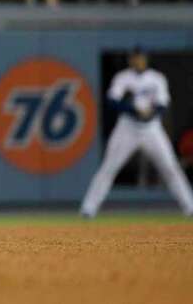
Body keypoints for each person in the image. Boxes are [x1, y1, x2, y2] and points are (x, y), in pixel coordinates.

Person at [79, 47, 193, 218]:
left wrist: (150, 113)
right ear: (130, 60)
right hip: (127, 128)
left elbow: (163, 104)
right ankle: (88, 209)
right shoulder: (123, 78)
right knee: (108, 168)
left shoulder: (156, 78)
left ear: (145, 59)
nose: (138, 61)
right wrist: (132, 109)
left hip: (152, 129)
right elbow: (112, 101)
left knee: (171, 168)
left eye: (141, 58)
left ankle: (190, 207)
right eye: (135, 58)